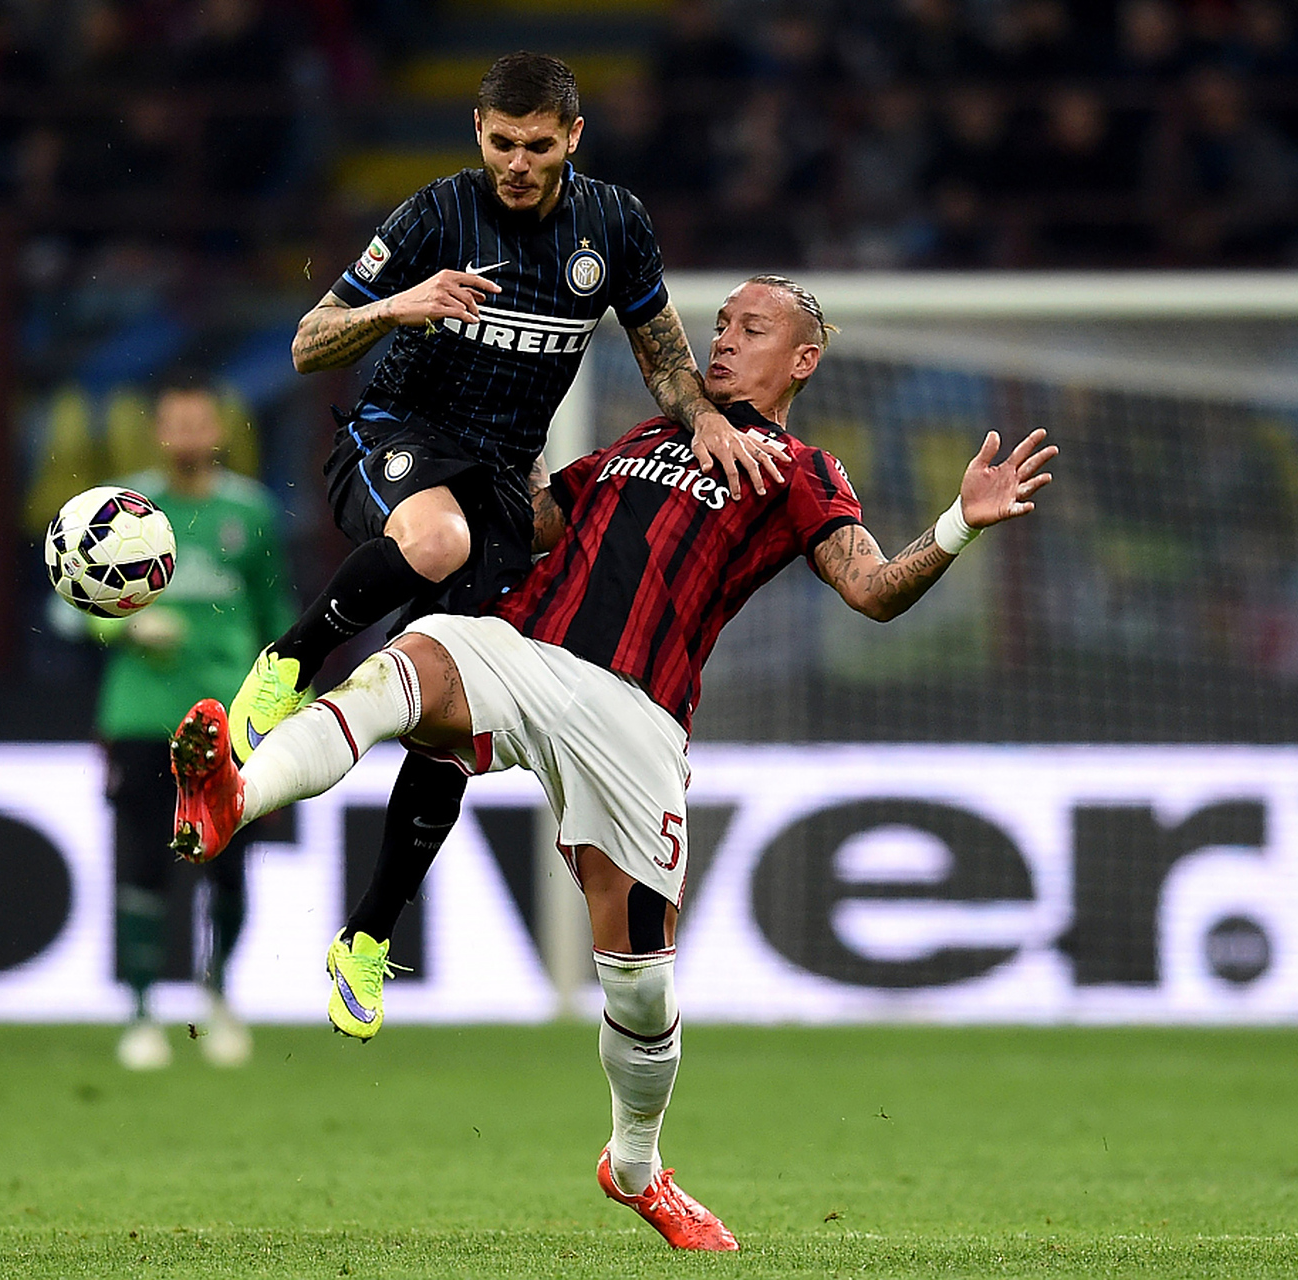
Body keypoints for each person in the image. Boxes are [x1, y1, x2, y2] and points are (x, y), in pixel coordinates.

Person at [167, 276, 1057, 1248]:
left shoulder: (800, 470)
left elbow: (872, 589)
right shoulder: (639, 439)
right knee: (396, 673)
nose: (723, 340)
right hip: (524, 651)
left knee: (639, 985)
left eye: (752, 328)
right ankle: (232, 795)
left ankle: (635, 1164)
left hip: (636, 718)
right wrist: (496, 445)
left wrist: (959, 520)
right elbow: (539, 522)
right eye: (721, 324)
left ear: (802, 359)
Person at [226, 53, 786, 1022]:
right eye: (500, 144)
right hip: (395, 436)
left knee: (451, 721)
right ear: (477, 134)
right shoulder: (438, 213)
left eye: (536, 145)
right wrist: (400, 304)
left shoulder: (613, 225)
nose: (517, 164)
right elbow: (308, 342)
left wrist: (702, 416)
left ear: (573, 138)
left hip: (500, 478)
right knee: (436, 541)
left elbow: (663, 360)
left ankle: (367, 936)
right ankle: (289, 660)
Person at [67, 379, 297, 1069]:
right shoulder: (121, 510)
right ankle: (141, 1013)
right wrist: (125, 626)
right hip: (141, 714)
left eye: (200, 422)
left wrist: (292, 704)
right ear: (159, 432)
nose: (189, 434)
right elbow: (68, 603)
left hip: (230, 719)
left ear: (217, 431)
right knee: (143, 861)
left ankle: (218, 997)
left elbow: (278, 614)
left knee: (228, 866)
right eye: (177, 422)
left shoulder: (250, 511)